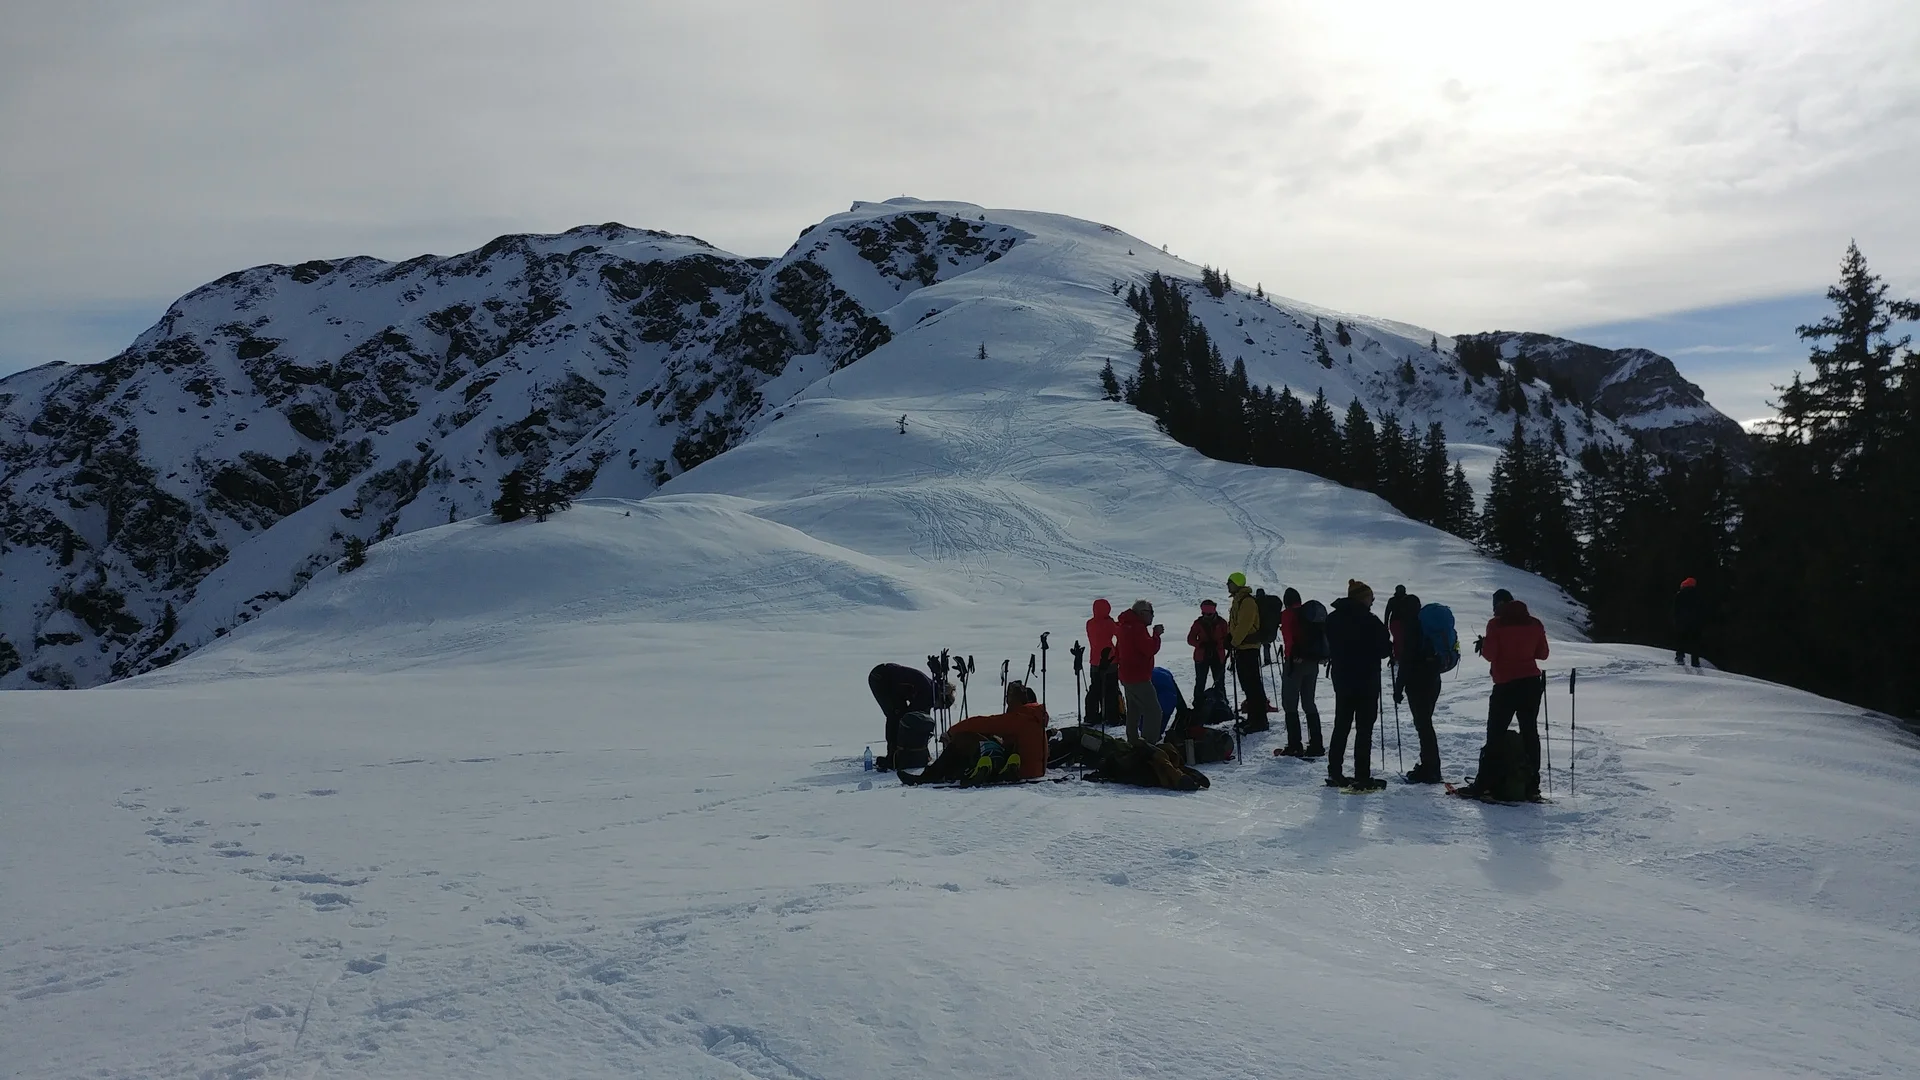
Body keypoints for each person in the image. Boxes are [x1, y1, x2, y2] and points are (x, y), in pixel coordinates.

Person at [1480, 588, 1550, 800]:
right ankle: (1531, 786)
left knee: (1495, 733)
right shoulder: (1534, 623)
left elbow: (1490, 655)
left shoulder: (1496, 625)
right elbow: (1543, 654)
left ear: (1498, 605)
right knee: (1529, 731)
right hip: (1530, 683)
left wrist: (1484, 644)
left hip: (1505, 685)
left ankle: (1487, 785)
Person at [1324, 579, 1391, 787]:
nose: (1373, 600)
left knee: (1341, 725)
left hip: (1342, 678)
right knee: (1364, 729)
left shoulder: (1333, 618)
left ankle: (1335, 772)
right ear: (1362, 597)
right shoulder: (1370, 620)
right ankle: (1362, 776)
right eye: (1371, 597)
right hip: (1366, 680)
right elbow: (1384, 650)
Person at [1390, 591, 1444, 783]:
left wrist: (1398, 688)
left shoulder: (1412, 628)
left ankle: (1430, 769)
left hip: (1417, 682)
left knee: (1423, 725)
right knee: (1425, 723)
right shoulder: (1427, 626)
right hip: (1433, 679)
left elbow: (1407, 661)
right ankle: (1430, 766)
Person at [867, 661, 952, 770]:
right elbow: (912, 717)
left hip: (890, 680)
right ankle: (893, 756)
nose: (935, 708)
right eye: (939, 707)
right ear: (941, 699)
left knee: (900, 716)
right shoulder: (928, 693)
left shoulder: (932, 689)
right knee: (895, 716)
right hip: (881, 679)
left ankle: (899, 753)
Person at [1277, 587, 1324, 757]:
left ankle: (1294, 744)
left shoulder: (1288, 615)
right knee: (1309, 702)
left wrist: (1292, 657)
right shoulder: (1308, 613)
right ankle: (1316, 743)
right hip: (1313, 662)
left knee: (1290, 703)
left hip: (1296, 663)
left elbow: (1289, 638)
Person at [1115, 599, 1166, 743]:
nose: (1152, 616)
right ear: (1142, 613)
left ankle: (1133, 742)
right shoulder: (1137, 628)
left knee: (1134, 711)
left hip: (1126, 674)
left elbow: (1117, 650)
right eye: (1151, 613)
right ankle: (1148, 745)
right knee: (1154, 711)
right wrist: (1156, 635)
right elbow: (1149, 649)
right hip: (1138, 676)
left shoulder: (1124, 626)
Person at [1226, 573, 1270, 731]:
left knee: (1253, 685)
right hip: (1242, 648)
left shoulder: (1247, 601)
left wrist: (1233, 642)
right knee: (1247, 684)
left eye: (1230, 582)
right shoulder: (1238, 600)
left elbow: (1245, 624)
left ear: (1237, 583)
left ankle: (1260, 720)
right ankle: (1253, 718)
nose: (1227, 585)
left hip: (1249, 648)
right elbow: (1234, 624)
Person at [1187, 599, 1230, 705]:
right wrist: (1201, 644)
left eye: (1209, 613)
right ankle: (1198, 702)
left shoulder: (1222, 623)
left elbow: (1228, 639)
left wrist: (1217, 644)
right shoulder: (1198, 623)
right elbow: (1190, 639)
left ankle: (1221, 702)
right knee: (1201, 681)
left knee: (1219, 681)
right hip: (1203, 655)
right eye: (1204, 613)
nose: (1206, 616)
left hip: (1216, 655)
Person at [1673, 577, 1704, 668]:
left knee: (1681, 640)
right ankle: (1695, 662)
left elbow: (1675, 609)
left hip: (1682, 622)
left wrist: (1676, 620)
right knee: (1695, 642)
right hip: (1695, 623)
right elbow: (1701, 609)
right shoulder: (1698, 595)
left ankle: (1680, 658)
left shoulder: (1679, 595)